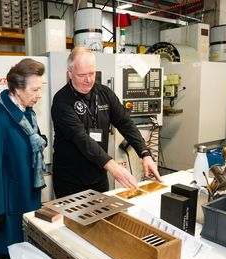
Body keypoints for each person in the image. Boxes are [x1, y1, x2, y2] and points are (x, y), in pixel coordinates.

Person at [51, 47, 162, 198]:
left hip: (98, 174)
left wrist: (144, 153)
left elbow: (125, 122)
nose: (88, 79)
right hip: (70, 179)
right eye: (82, 75)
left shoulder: (104, 93)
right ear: (70, 73)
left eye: (91, 73)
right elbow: (80, 138)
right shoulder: (62, 101)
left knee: (102, 218)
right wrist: (112, 165)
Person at [0, 58, 47, 259]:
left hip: (27, 197)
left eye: (40, 89)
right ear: (17, 89)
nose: (39, 95)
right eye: (34, 90)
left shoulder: (27, 115)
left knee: (23, 252)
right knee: (2, 254)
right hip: (6, 204)